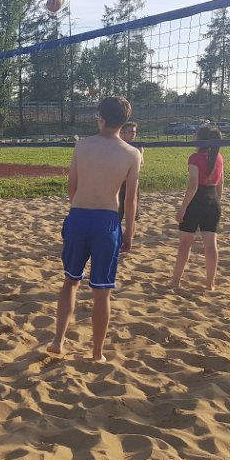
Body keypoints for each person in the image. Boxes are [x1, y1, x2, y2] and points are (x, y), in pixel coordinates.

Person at [48, 96, 141, 362]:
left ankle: (58, 341)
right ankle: (97, 353)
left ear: (101, 118)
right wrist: (129, 233)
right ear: (124, 122)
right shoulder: (132, 154)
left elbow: (72, 187)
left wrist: (79, 209)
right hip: (107, 221)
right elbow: (131, 200)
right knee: (102, 293)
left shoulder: (83, 145)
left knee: (70, 282)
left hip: (78, 217)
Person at [171, 125, 224, 290]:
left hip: (196, 202)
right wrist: (217, 203)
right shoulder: (218, 157)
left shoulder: (195, 158)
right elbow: (220, 183)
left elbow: (193, 185)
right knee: (211, 245)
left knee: (185, 245)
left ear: (201, 139)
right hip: (213, 202)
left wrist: (183, 208)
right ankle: (210, 283)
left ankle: (175, 281)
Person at [117, 121, 144, 221]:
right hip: (119, 181)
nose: (133, 134)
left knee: (133, 209)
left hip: (132, 180)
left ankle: (131, 228)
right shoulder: (117, 145)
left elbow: (141, 163)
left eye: (135, 132)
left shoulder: (138, 146)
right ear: (122, 133)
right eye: (131, 132)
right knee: (118, 208)